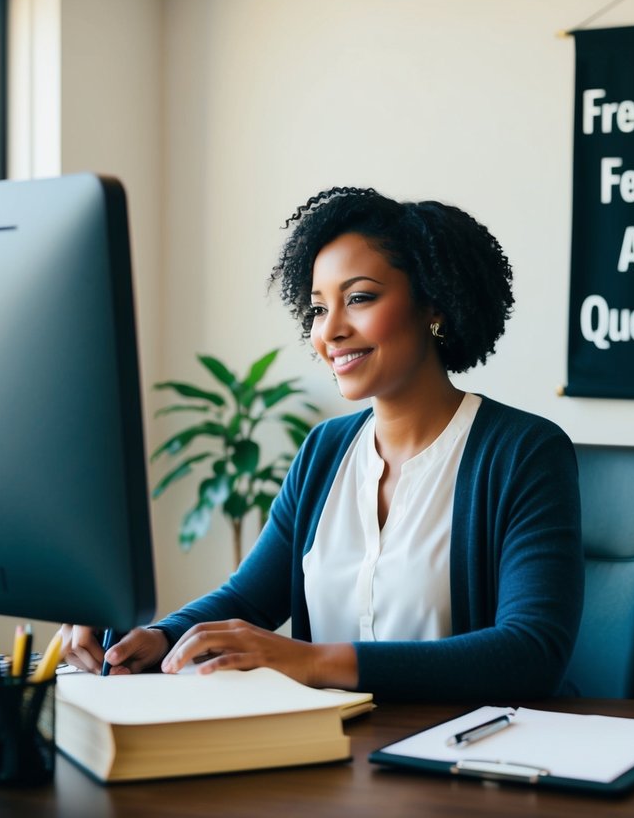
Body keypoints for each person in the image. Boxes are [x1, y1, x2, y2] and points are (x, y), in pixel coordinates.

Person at [62, 186, 583, 701]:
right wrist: (157, 638)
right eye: (317, 308)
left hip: (459, 758)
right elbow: (248, 598)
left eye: (358, 298)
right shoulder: (325, 451)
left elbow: (531, 651)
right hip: (331, 754)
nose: (330, 330)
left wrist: (310, 661)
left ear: (435, 305)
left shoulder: (523, 452)